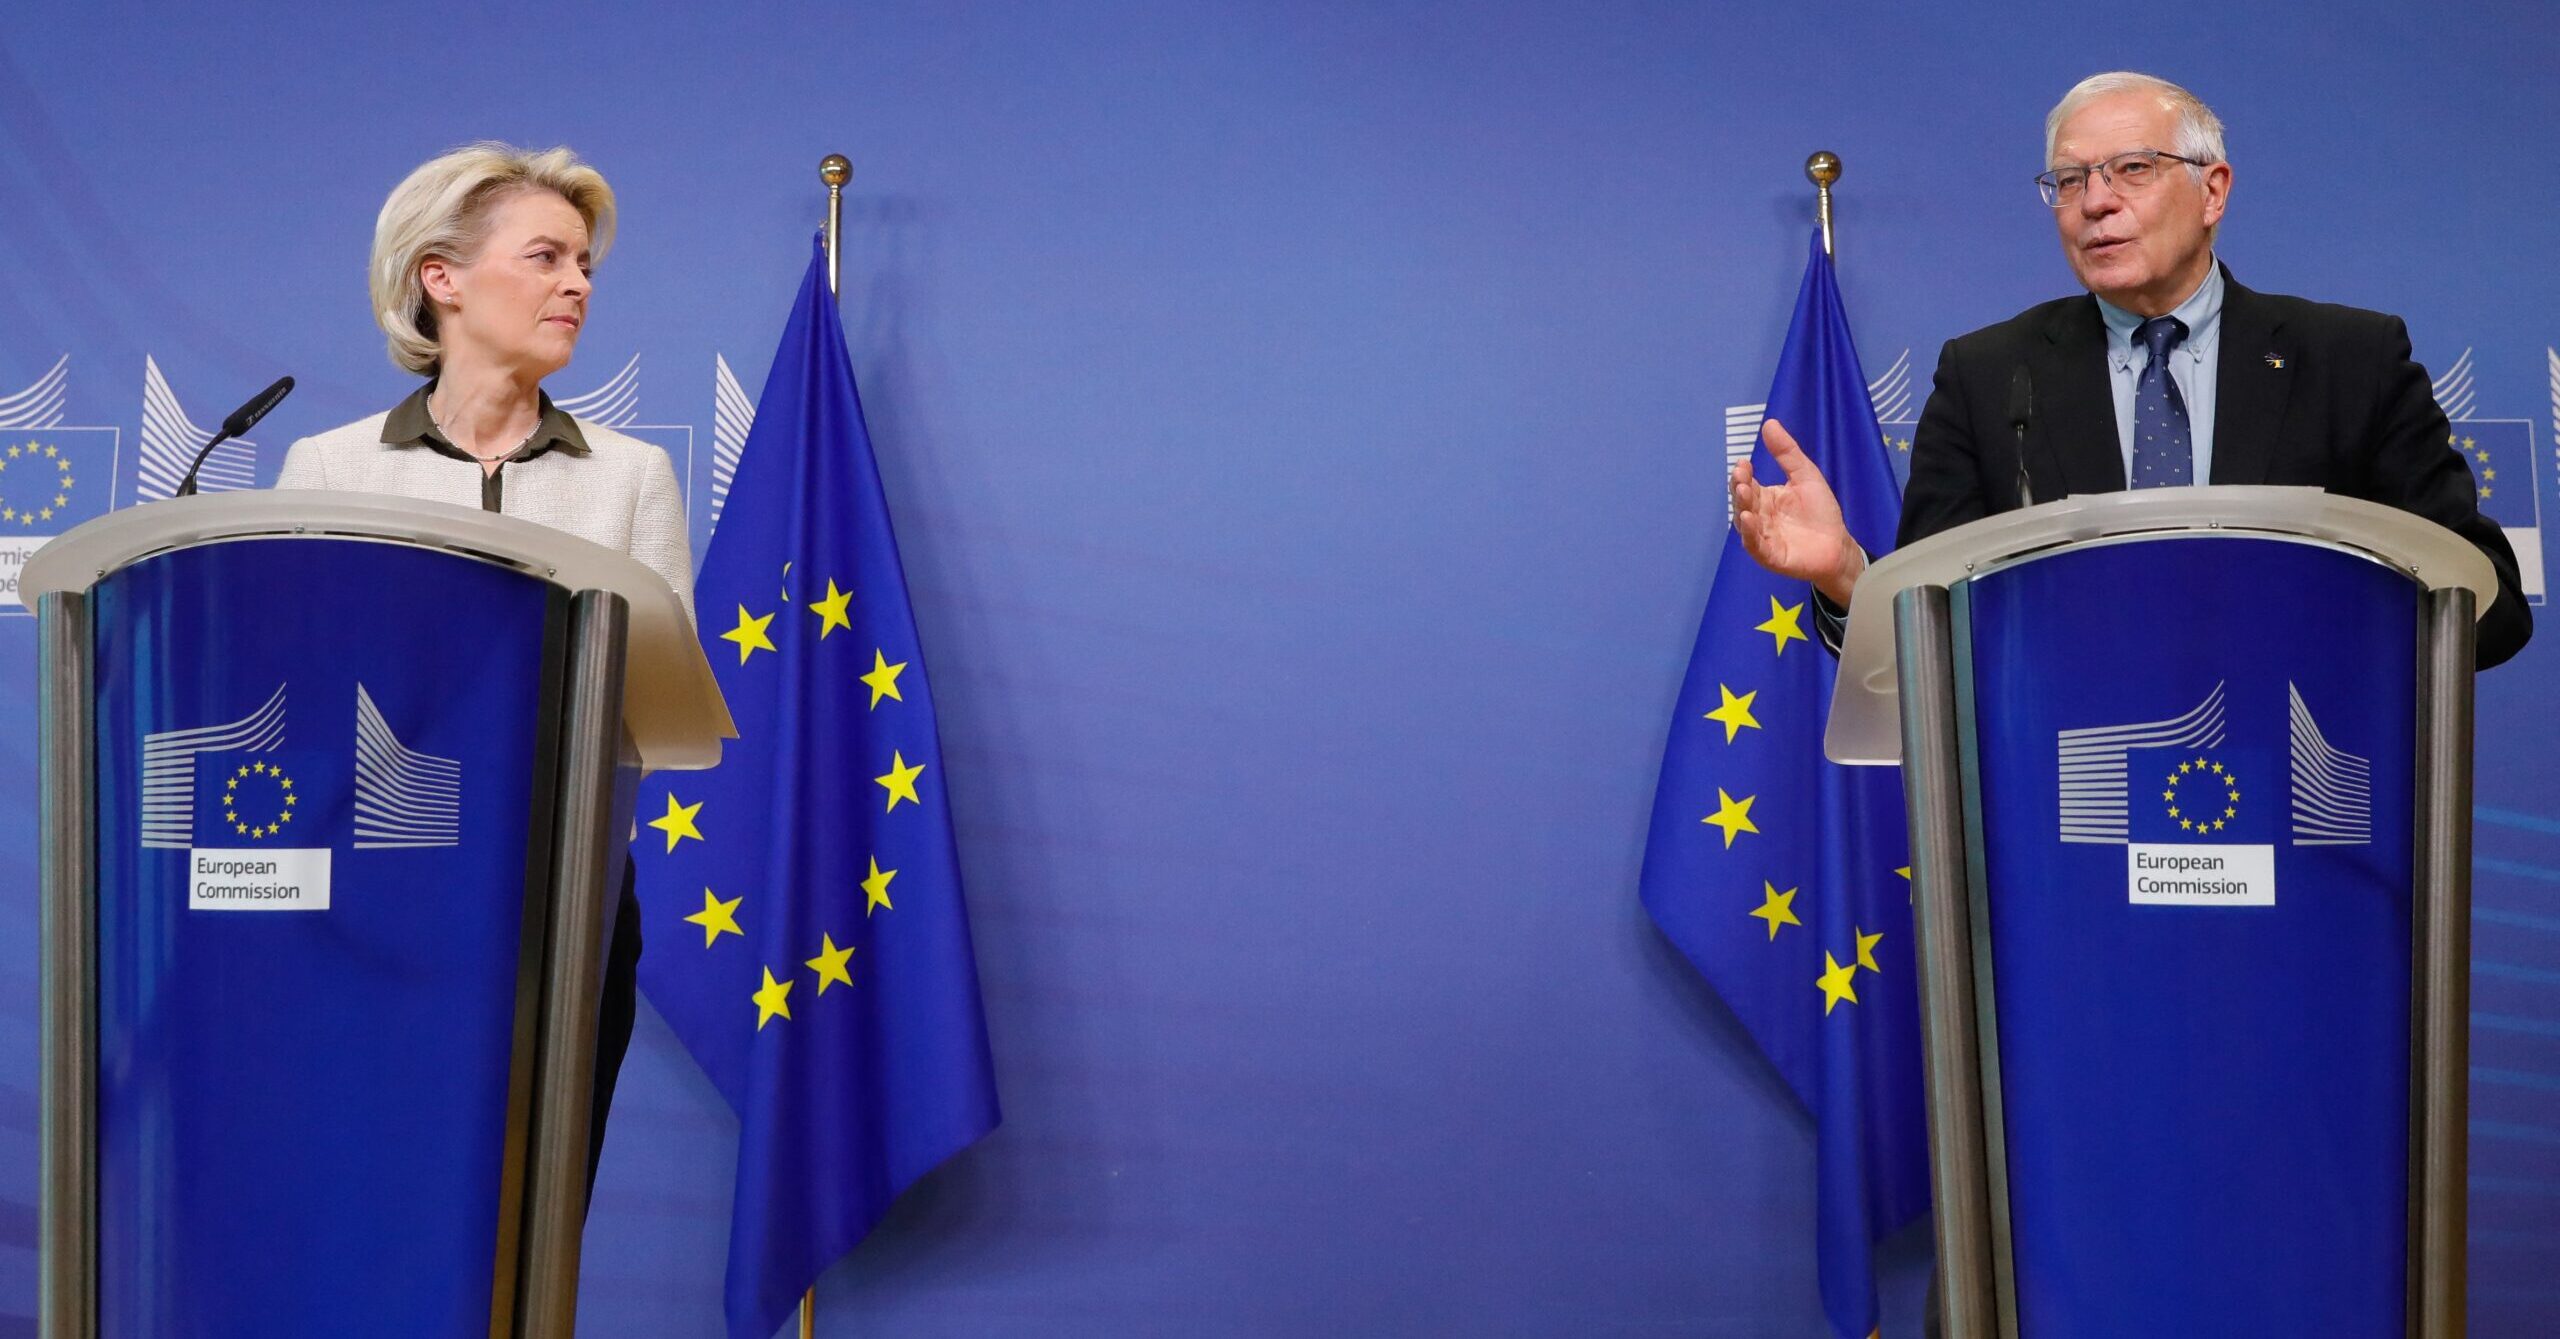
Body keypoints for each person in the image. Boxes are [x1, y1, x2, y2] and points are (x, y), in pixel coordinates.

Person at [1730, 71, 2531, 668]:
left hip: (2310, 785)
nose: (2095, 202)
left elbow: (2488, 602)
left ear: (2212, 189)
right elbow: (1930, 635)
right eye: (2070, 180)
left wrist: (2319, 620)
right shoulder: (1989, 374)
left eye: (2132, 170)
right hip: (2071, 798)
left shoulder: (2350, 359)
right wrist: (1846, 576)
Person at [276, 141, 692, 1193]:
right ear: (441, 278)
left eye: (587, 264)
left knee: (531, 1203)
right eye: (547, 256)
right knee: (377, 1194)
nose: (578, 285)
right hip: (373, 898)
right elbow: (300, 694)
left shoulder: (634, 476)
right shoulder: (330, 467)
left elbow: (659, 701)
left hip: (568, 893)